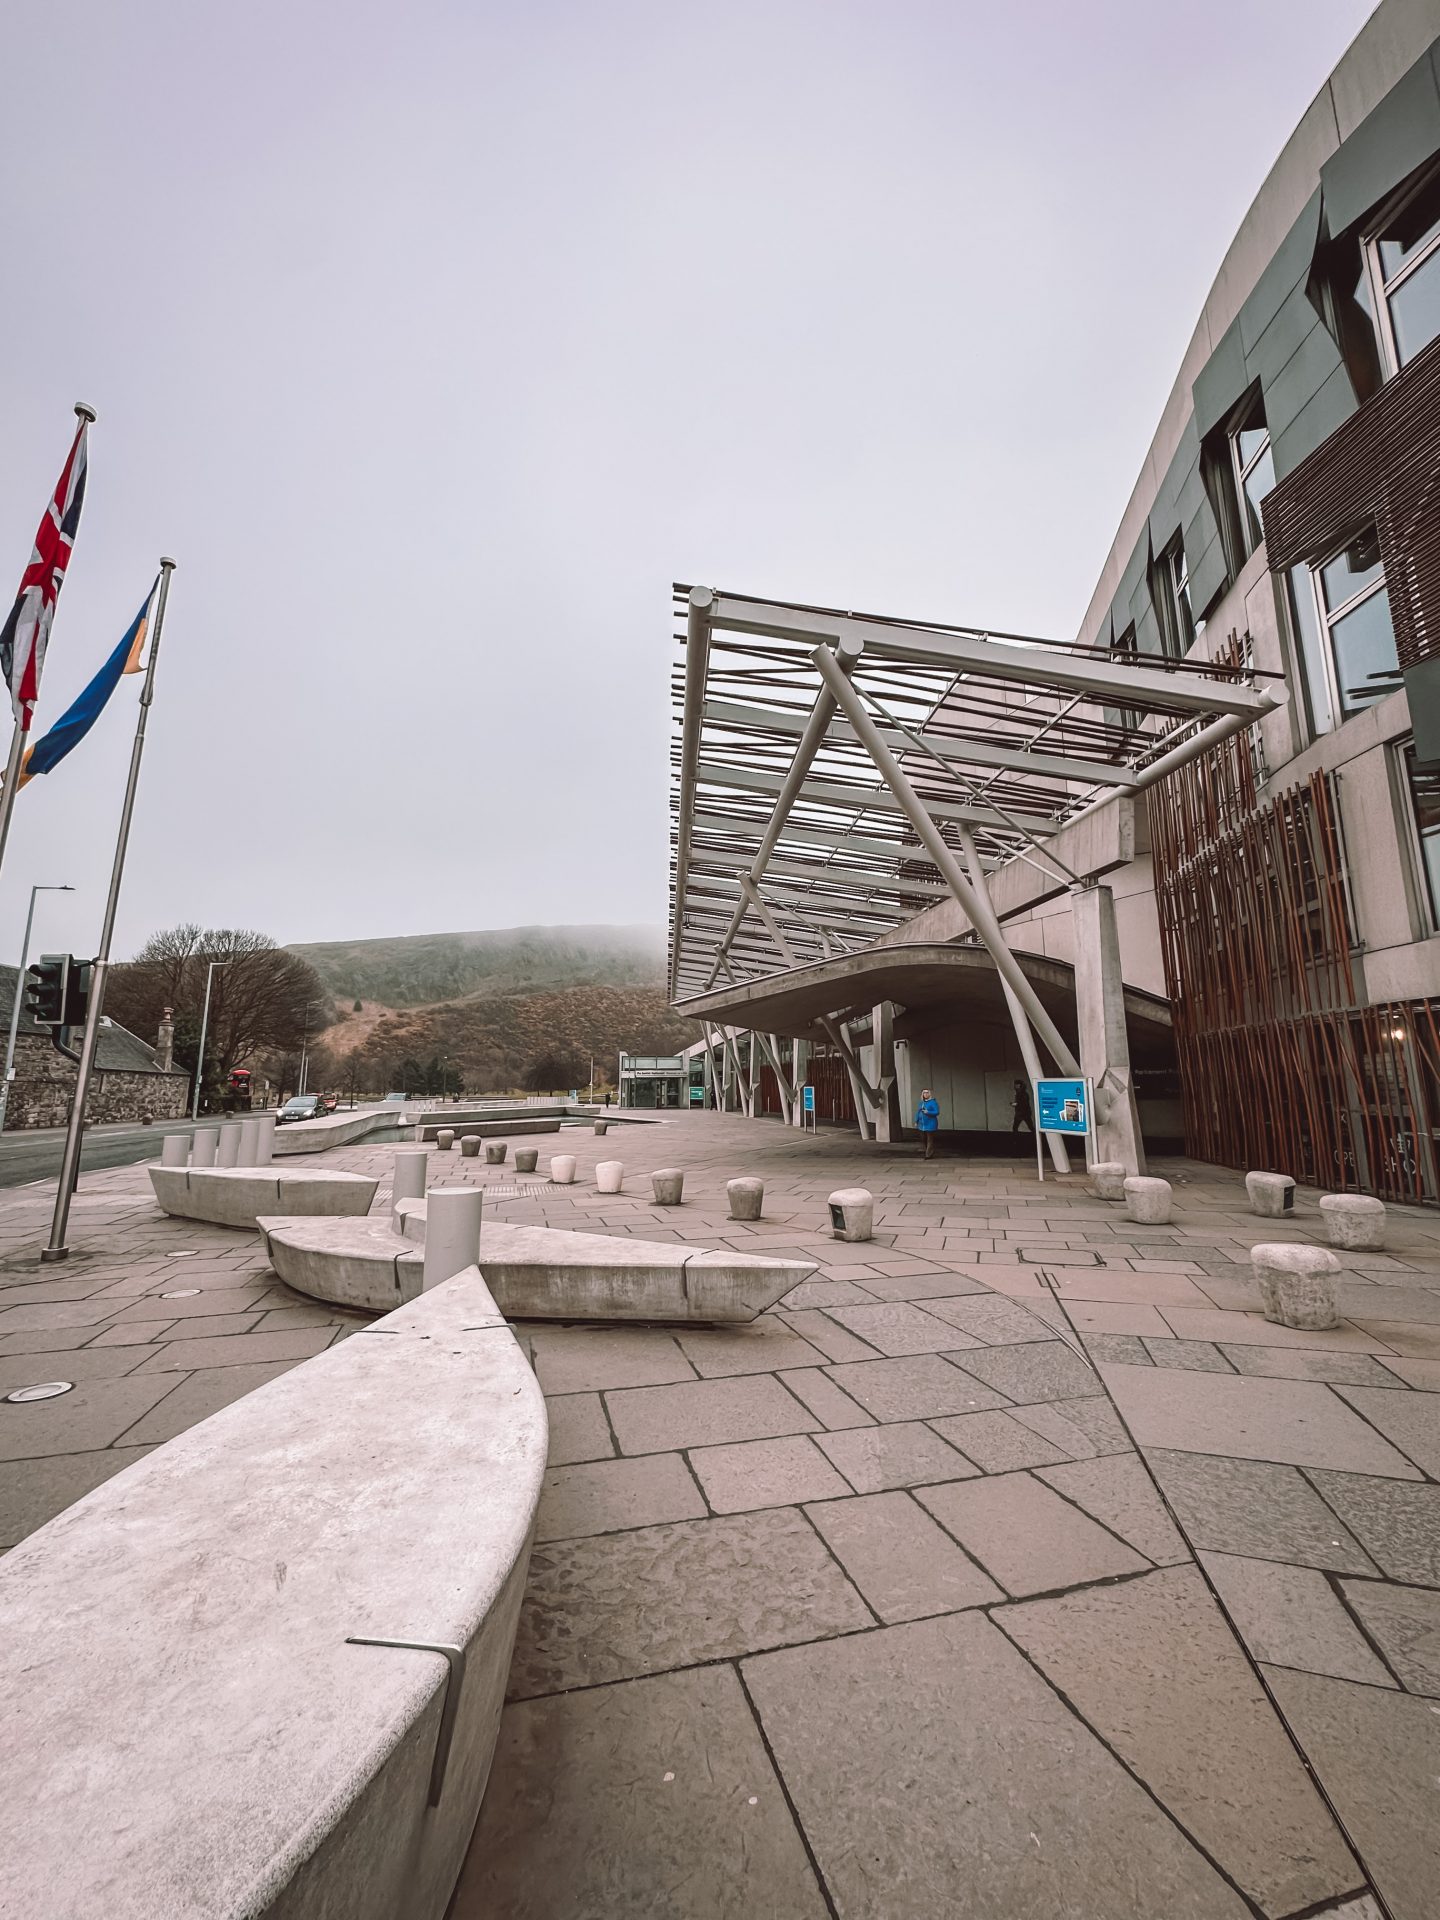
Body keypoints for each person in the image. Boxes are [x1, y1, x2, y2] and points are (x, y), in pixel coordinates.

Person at [915, 1086, 940, 1159]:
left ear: (929, 1094)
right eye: (924, 1093)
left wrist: (928, 1112)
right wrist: (916, 1121)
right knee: (923, 1139)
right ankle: (929, 1151)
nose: (925, 1094)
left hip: (931, 1124)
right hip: (921, 1125)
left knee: (930, 1139)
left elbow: (937, 1112)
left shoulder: (933, 1102)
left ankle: (928, 1154)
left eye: (927, 1092)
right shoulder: (921, 1103)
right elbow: (918, 1112)